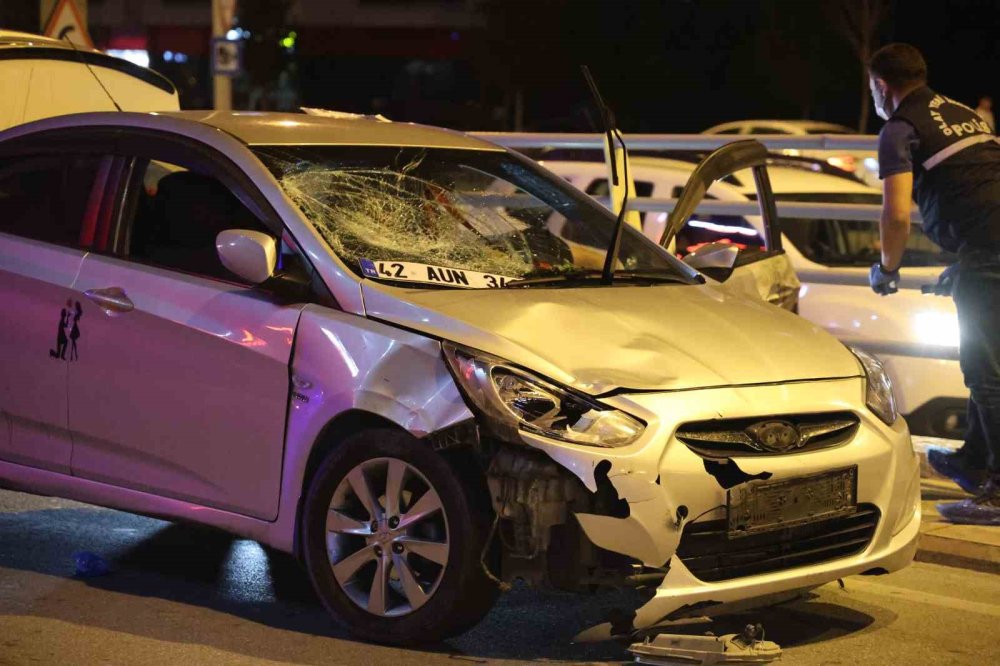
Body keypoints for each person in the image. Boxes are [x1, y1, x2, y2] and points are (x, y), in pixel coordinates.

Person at [867, 43, 1000, 525]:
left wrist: (888, 268)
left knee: (986, 372)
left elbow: (896, 214)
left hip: (990, 255)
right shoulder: (965, 114)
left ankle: (996, 492)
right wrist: (965, 265)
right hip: (985, 252)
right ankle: (973, 460)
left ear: (882, 86)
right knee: (985, 362)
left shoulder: (900, 129)